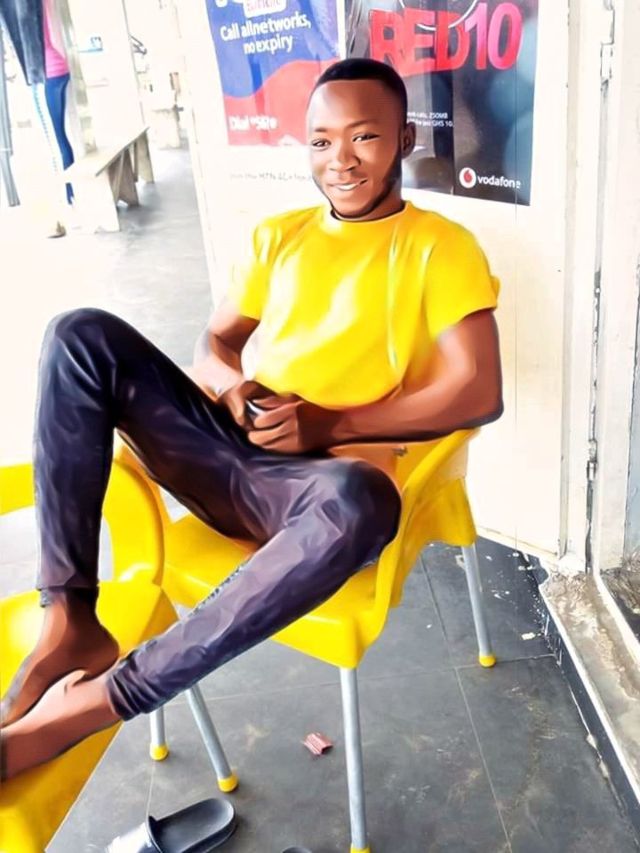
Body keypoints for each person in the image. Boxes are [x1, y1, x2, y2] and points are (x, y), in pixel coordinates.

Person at [0, 58, 503, 779]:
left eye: (364, 137)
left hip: (317, 497)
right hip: (230, 456)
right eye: (322, 142)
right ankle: (69, 616)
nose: (341, 160)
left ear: (405, 138)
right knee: (79, 335)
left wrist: (330, 426)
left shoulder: (440, 246)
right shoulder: (280, 235)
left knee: (360, 498)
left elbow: (479, 391)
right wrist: (229, 386)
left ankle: (100, 702)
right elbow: (216, 341)